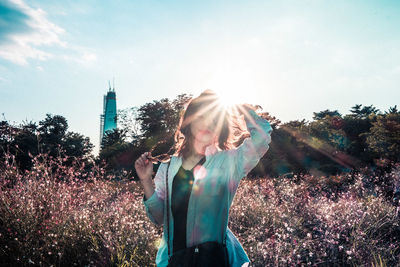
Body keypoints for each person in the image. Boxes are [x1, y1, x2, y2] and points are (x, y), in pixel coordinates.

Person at [135, 89, 273, 267]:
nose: (207, 123)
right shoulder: (168, 166)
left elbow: (261, 137)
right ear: (189, 122)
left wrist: (243, 110)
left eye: (214, 119)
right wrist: (146, 181)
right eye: (201, 116)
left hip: (212, 260)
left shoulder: (229, 162)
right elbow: (160, 218)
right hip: (174, 261)